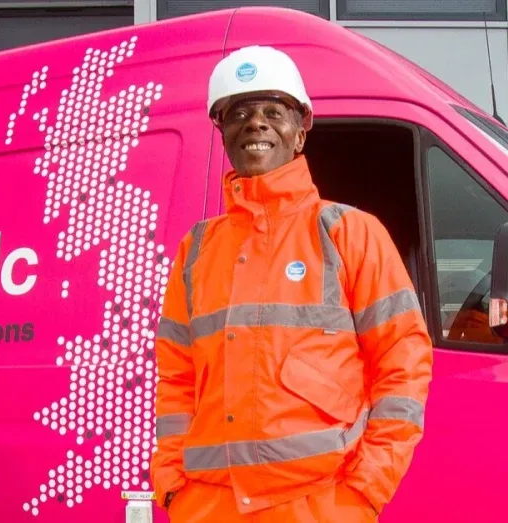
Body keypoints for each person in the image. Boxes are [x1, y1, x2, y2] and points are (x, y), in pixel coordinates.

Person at [149, 45, 434, 522]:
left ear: (300, 131)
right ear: (222, 133)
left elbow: (403, 366)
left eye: (272, 111)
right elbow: (175, 379)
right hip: (208, 507)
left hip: (320, 507)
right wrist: (174, 484)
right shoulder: (196, 250)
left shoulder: (348, 232)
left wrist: (365, 490)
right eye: (238, 113)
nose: (255, 123)